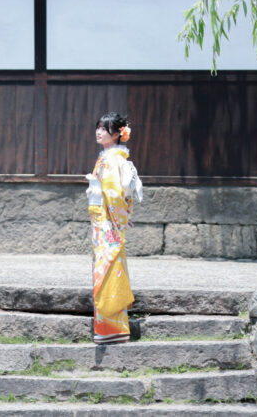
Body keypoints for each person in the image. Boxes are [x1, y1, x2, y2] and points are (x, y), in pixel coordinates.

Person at [86, 111, 141, 345]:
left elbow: (114, 193)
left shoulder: (111, 159)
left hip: (107, 222)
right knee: (109, 268)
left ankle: (110, 329)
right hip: (105, 221)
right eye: (98, 127)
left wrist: (119, 220)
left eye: (104, 129)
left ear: (118, 133)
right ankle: (112, 326)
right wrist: (123, 216)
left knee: (107, 269)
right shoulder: (111, 157)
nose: (99, 132)